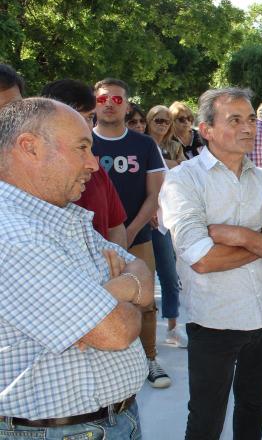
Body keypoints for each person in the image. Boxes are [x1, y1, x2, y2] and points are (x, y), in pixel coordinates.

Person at [0, 98, 154, 439]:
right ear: (29, 147)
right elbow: (118, 331)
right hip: (60, 431)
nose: (94, 164)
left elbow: (142, 271)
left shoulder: (61, 216)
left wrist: (109, 293)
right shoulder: (13, 235)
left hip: (106, 422)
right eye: (82, 148)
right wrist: (123, 294)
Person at [160, 87, 262, 440]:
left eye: (251, 119)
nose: (247, 127)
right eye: (235, 119)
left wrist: (240, 236)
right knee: (207, 419)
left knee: (253, 406)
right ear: (205, 129)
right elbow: (203, 259)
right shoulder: (183, 180)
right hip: (215, 320)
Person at [93, 78, 171, 389]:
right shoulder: (84, 141)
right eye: (102, 99)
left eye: (116, 99)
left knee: (144, 300)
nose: (109, 104)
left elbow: (154, 195)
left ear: (127, 104)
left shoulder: (144, 145)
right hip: (90, 241)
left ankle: (149, 358)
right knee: (96, 301)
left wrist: (128, 231)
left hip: (137, 237)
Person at [41, 78, 128, 248]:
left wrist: (119, 265)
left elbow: (116, 227)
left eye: (89, 117)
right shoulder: (32, 179)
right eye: (75, 117)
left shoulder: (97, 171)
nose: (85, 126)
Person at [145, 105, 186, 347]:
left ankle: (172, 328)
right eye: (157, 120)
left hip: (165, 219)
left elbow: (184, 171)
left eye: (166, 120)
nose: (162, 124)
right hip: (143, 219)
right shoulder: (139, 144)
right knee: (144, 278)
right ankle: (145, 337)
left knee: (170, 276)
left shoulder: (173, 145)